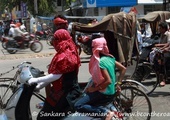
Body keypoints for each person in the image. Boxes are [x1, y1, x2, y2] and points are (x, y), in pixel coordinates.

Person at [28, 14, 81, 120]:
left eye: (56, 39)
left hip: (66, 92)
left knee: (43, 116)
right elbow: (56, 75)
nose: (54, 42)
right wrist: (39, 86)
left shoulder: (65, 55)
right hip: (63, 88)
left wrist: (36, 80)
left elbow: (56, 76)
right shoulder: (68, 50)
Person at [74, 37, 126, 120]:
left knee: (78, 105)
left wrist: (93, 89)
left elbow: (108, 81)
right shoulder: (110, 58)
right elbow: (123, 69)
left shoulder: (100, 62)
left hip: (103, 93)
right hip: (111, 92)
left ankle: (105, 113)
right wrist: (118, 84)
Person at [153, 22, 170, 86]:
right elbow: (168, 44)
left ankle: (164, 80)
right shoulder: (161, 35)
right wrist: (161, 48)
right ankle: (162, 79)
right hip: (164, 53)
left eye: (160, 28)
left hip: (167, 54)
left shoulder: (168, 34)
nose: (159, 29)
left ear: (163, 28)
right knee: (161, 66)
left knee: (166, 68)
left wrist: (163, 48)